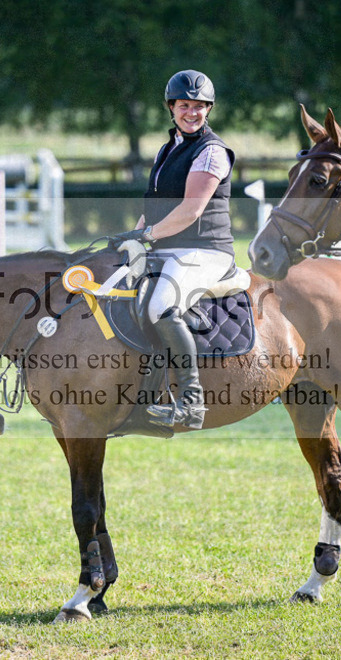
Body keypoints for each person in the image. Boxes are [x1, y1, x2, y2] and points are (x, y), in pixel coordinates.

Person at [112, 69, 236, 429]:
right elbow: (154, 207)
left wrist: (146, 236)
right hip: (167, 247)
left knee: (161, 307)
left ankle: (191, 401)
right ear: (172, 108)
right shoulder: (169, 149)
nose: (192, 113)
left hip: (205, 251)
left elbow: (191, 210)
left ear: (209, 109)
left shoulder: (211, 153)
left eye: (199, 106)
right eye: (185, 105)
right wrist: (129, 239)